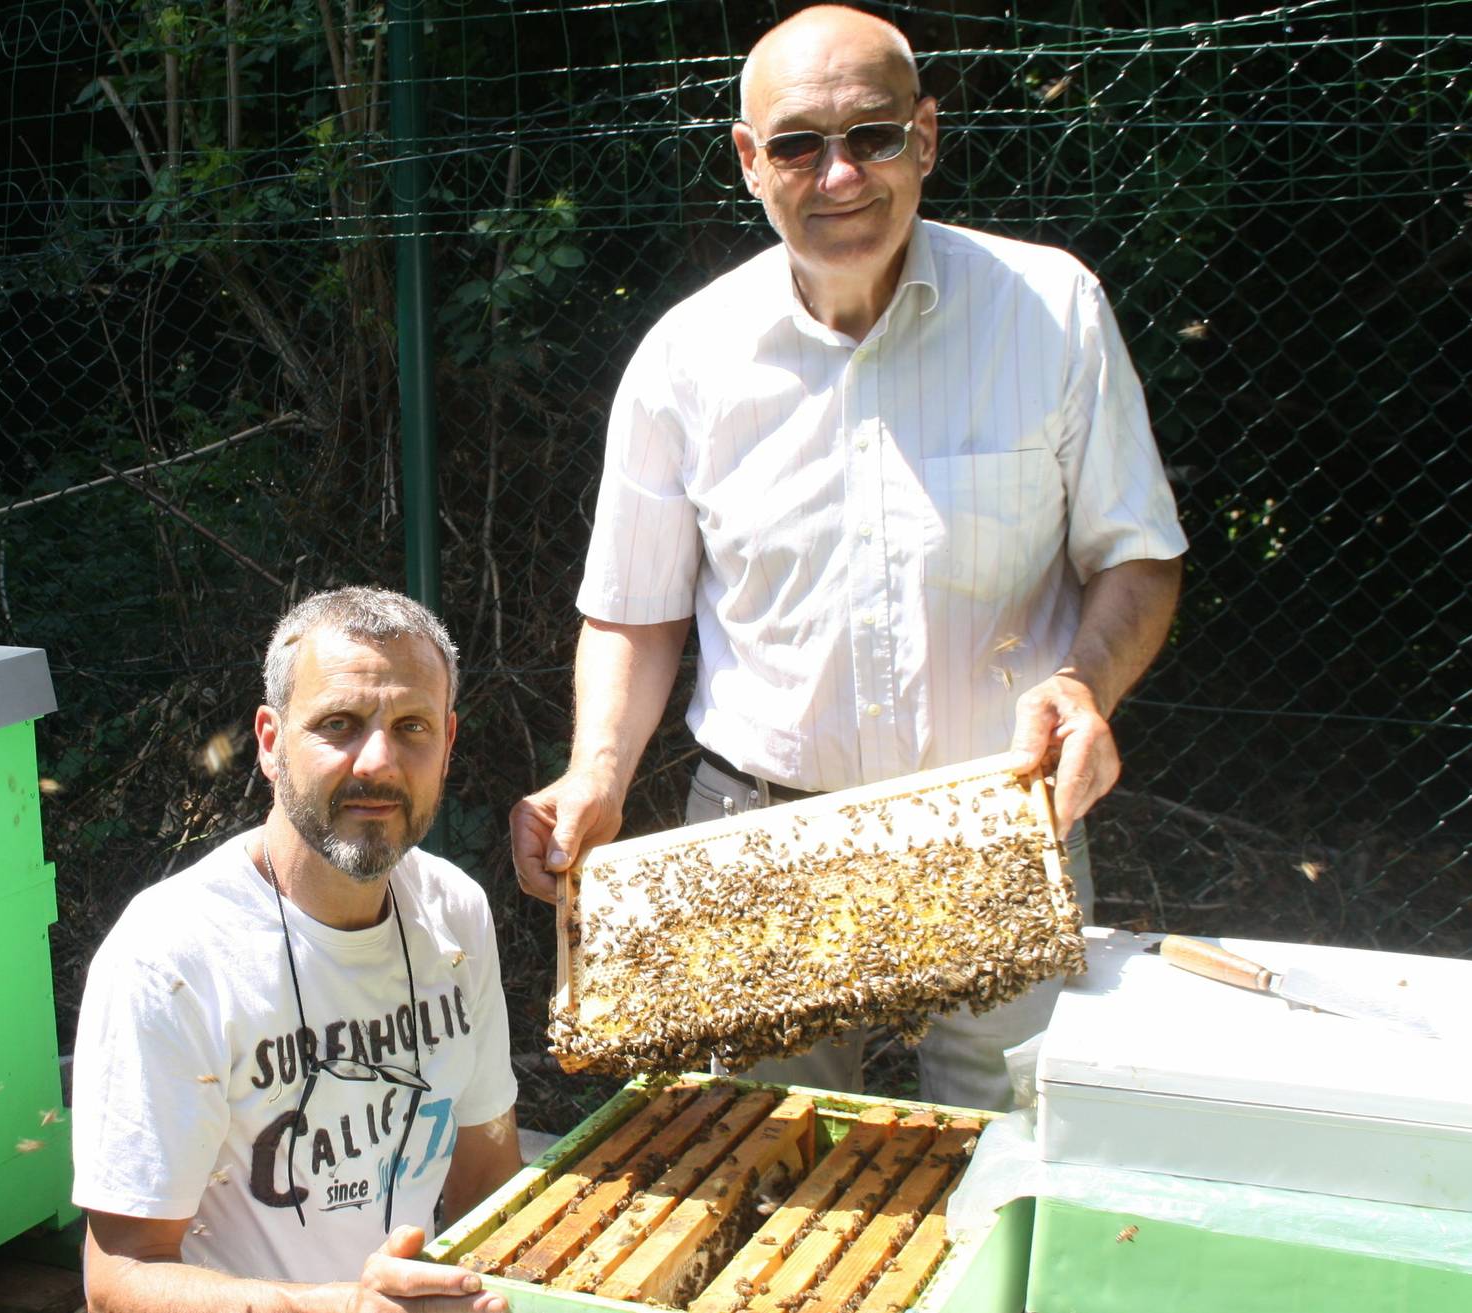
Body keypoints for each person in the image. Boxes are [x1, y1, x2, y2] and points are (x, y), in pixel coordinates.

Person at [509, 4, 1187, 1110]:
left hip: (997, 819)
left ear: (925, 137)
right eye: (798, 145)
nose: (840, 176)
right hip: (758, 831)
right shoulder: (684, 358)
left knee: (1009, 1166)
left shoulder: (1051, 310)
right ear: (747, 160)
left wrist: (1086, 684)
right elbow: (636, 611)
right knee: (767, 1182)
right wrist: (597, 773)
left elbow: (1140, 557)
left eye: (872, 136)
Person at [76, 586, 522, 1313]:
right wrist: (345, 1307)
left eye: (411, 726)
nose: (377, 761)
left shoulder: (457, 914)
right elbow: (119, 1277)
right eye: (339, 724)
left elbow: (487, 1181)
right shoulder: (169, 959)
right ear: (271, 741)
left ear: (448, 744)